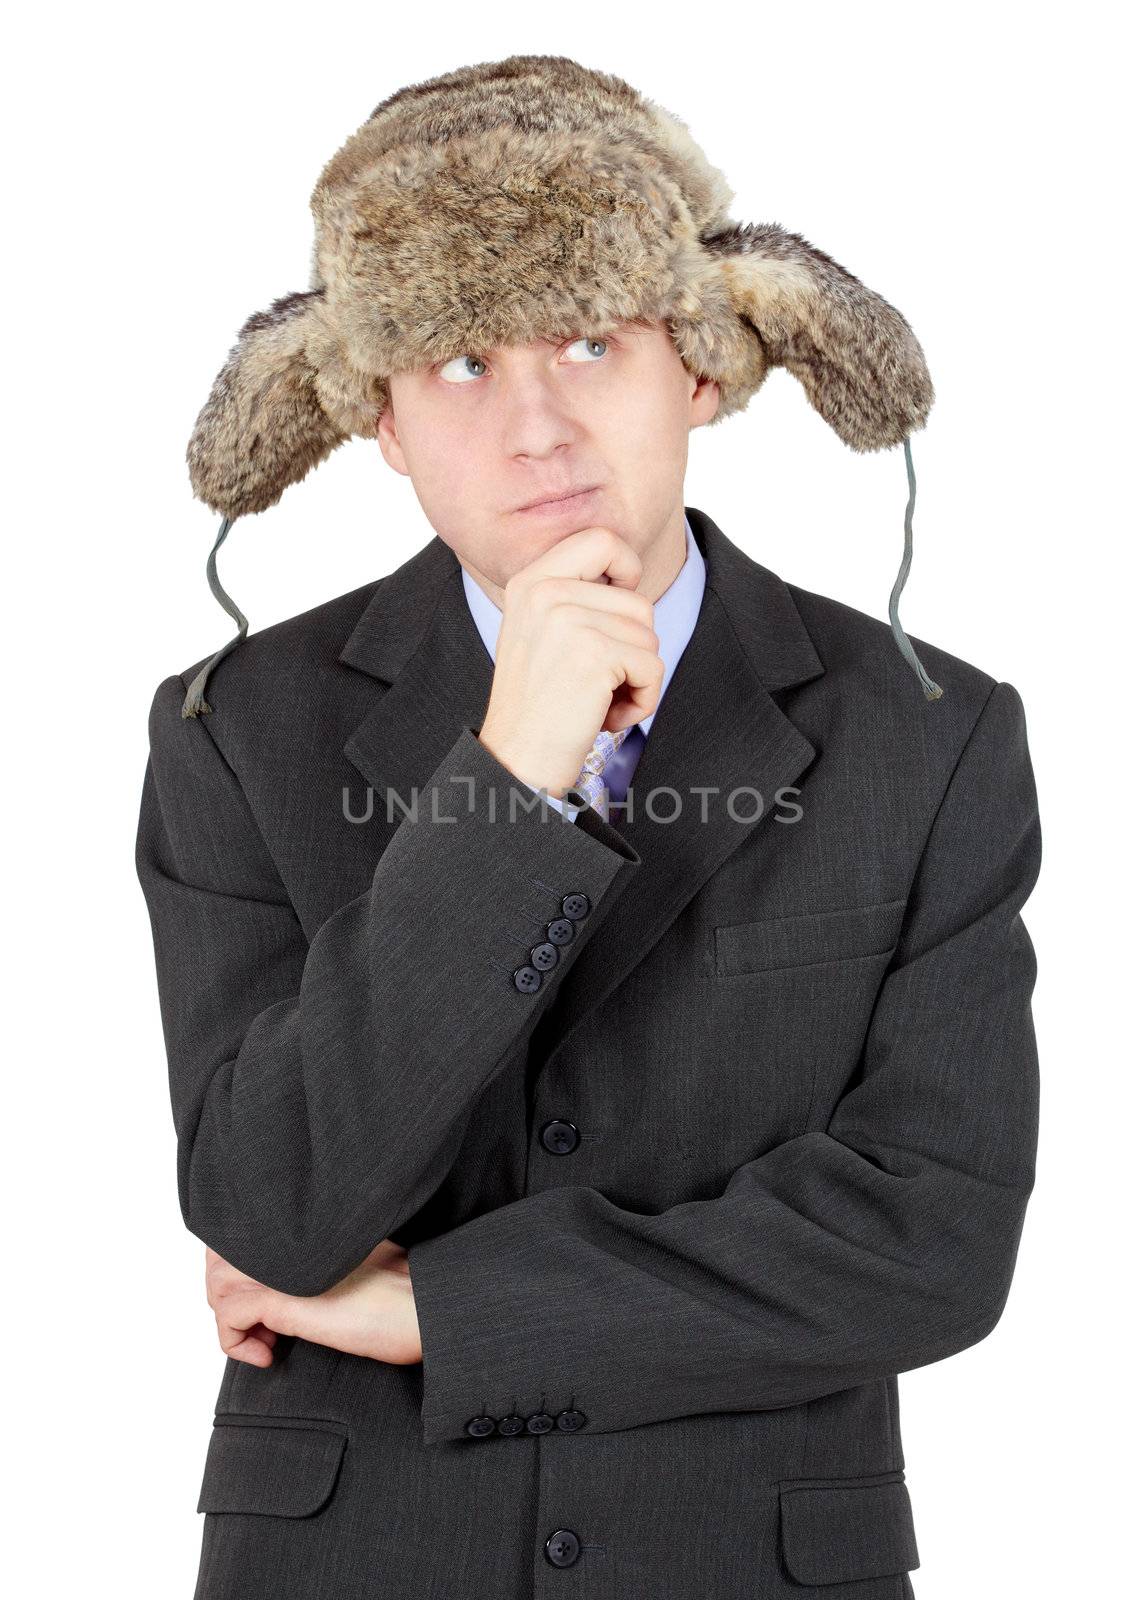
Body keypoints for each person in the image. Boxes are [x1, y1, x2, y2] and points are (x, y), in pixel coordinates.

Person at [134, 55, 1041, 1600]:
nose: (538, 428)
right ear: (380, 426)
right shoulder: (237, 729)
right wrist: (506, 780)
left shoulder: (930, 731)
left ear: (696, 368)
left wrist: (447, 1313)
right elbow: (274, 1201)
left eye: (587, 342)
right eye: (462, 368)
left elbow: (930, 1239)